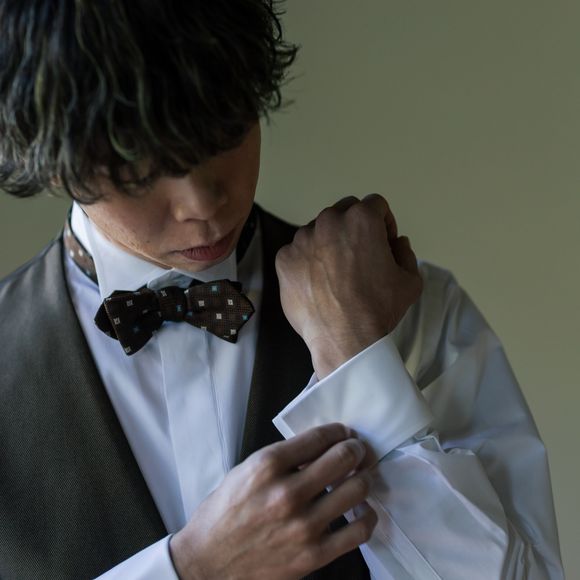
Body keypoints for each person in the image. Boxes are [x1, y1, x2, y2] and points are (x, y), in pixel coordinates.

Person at [0, 1, 563, 579]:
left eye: (224, 132)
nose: (202, 203)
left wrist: (355, 358)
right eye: (138, 170)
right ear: (49, 159)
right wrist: (193, 569)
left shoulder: (412, 312)